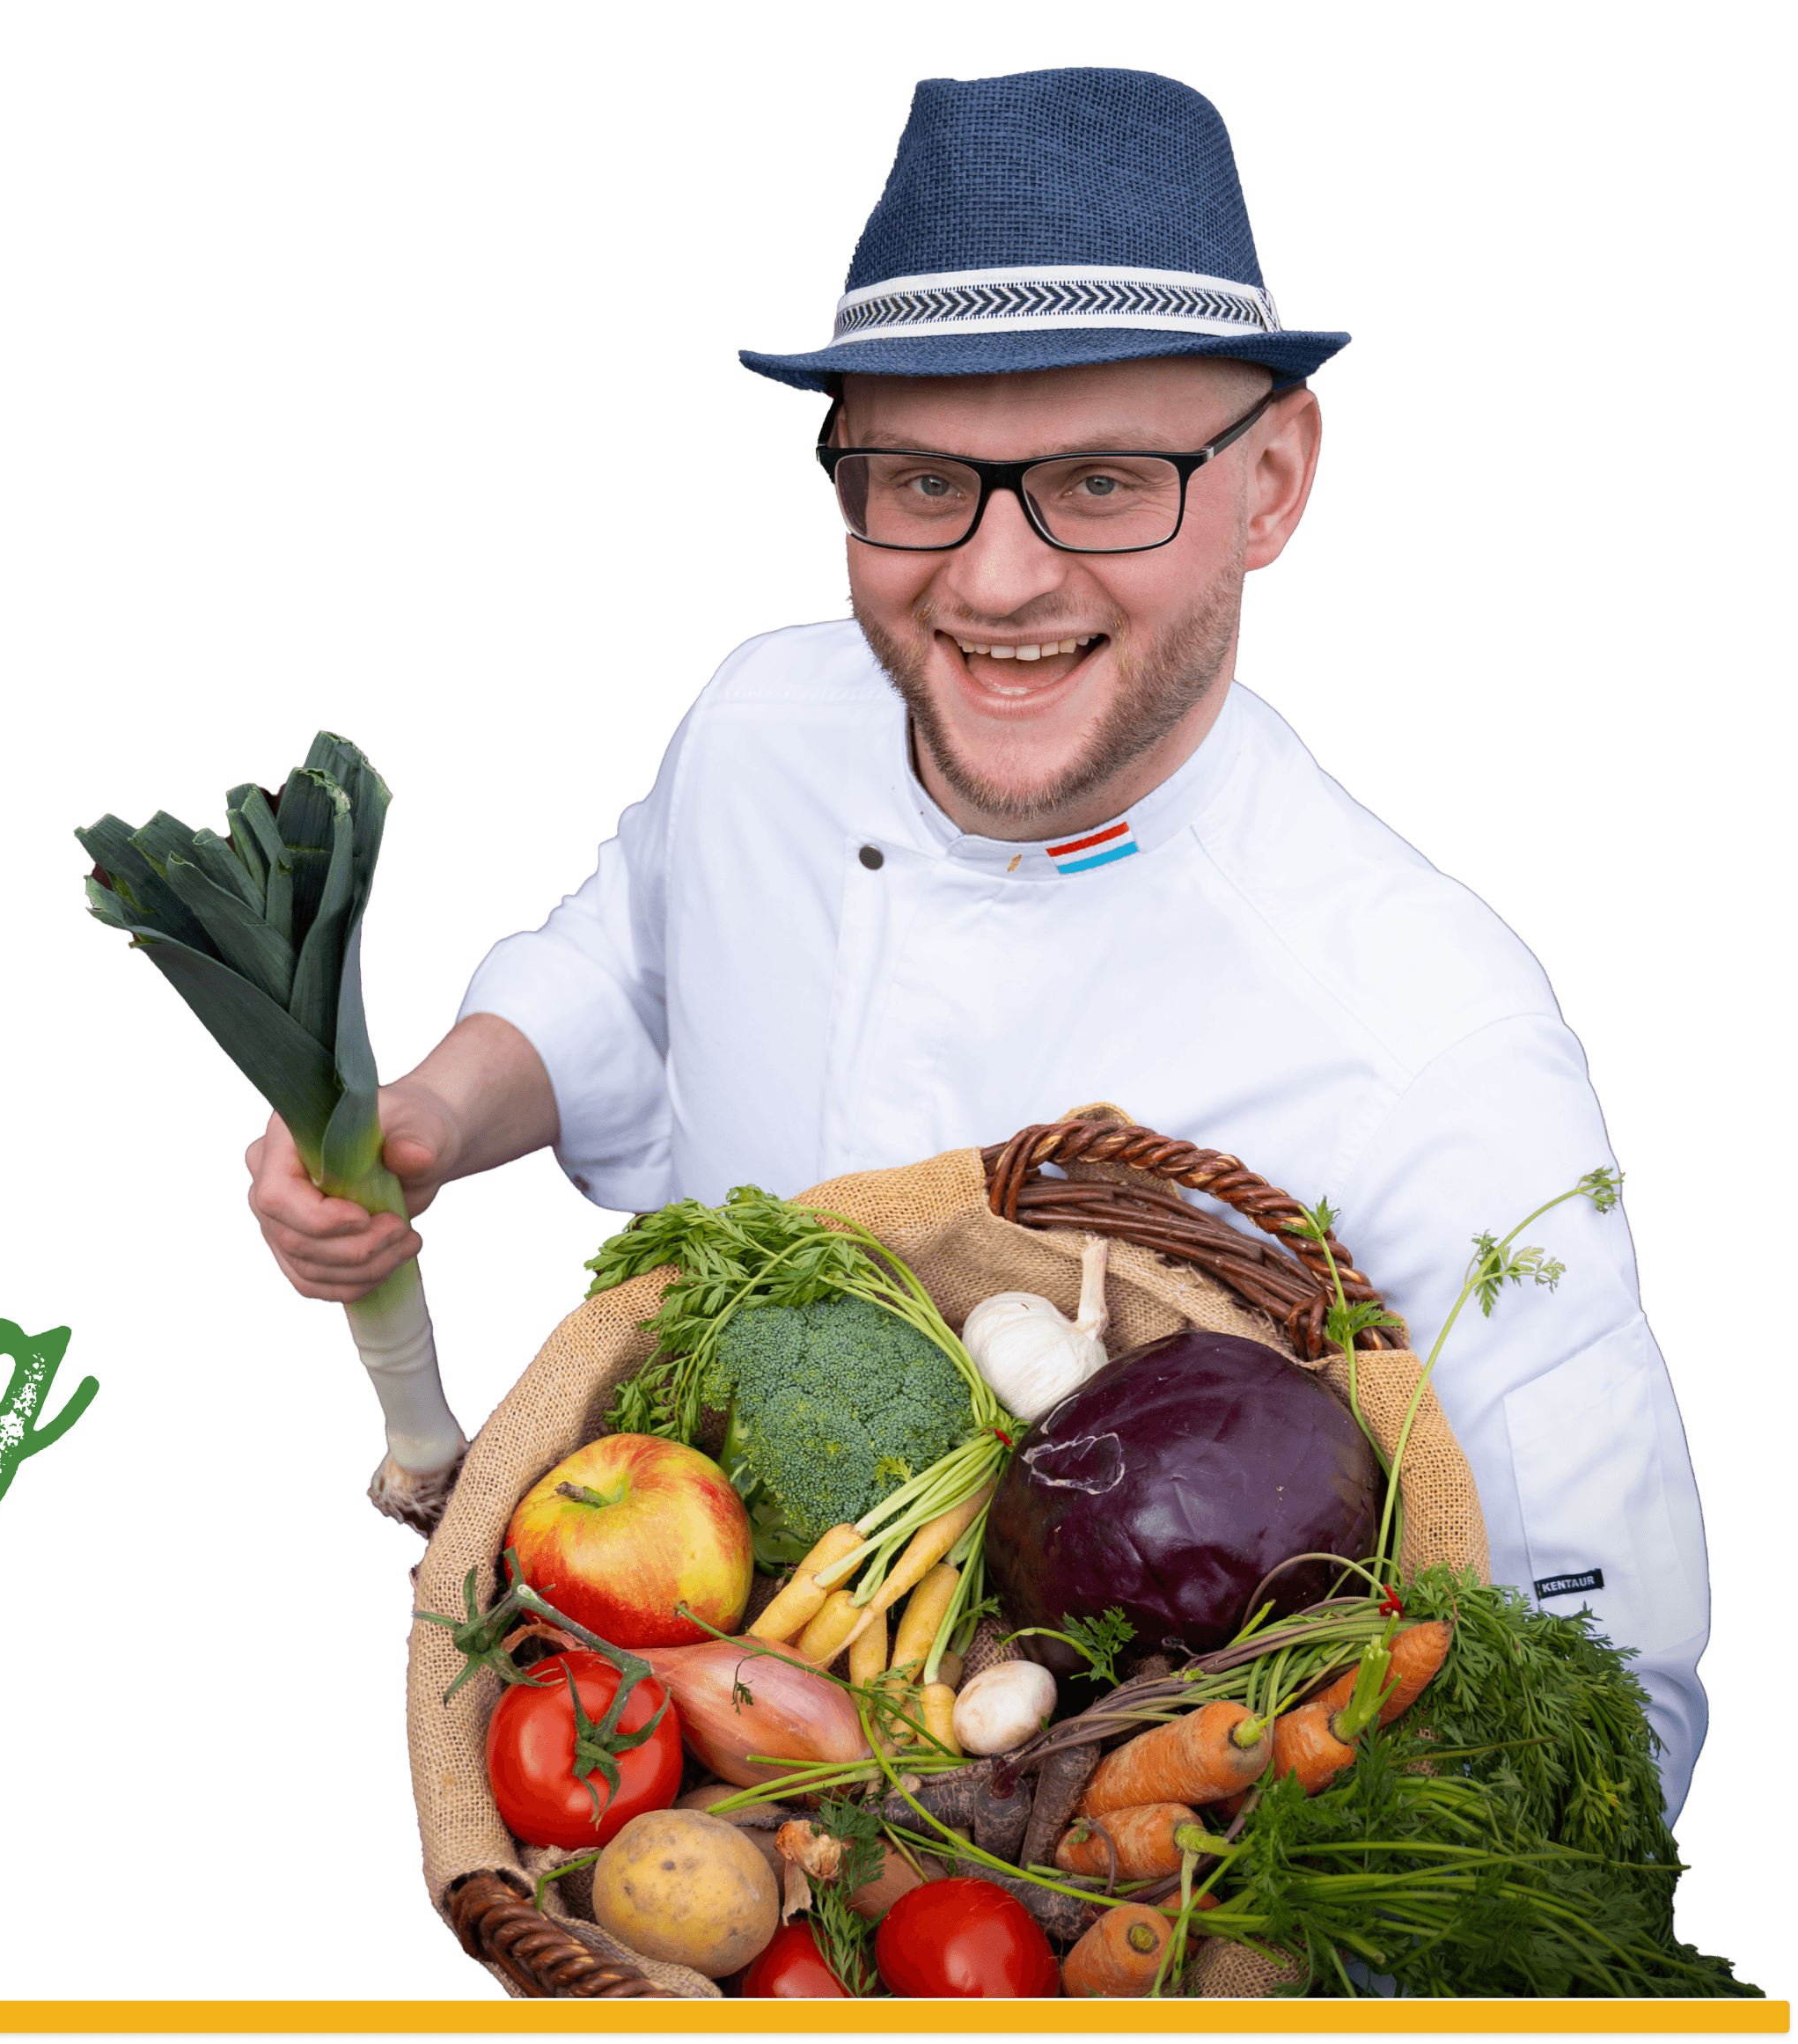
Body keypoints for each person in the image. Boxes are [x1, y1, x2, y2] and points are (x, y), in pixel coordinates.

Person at [248, 68, 1712, 1819]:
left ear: (1271, 484)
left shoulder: (1431, 1041)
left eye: (1105, 480)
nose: (997, 582)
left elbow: (1607, 1689)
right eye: (921, 478)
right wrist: (441, 1113)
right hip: (680, 1749)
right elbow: (634, 955)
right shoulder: (766, 721)